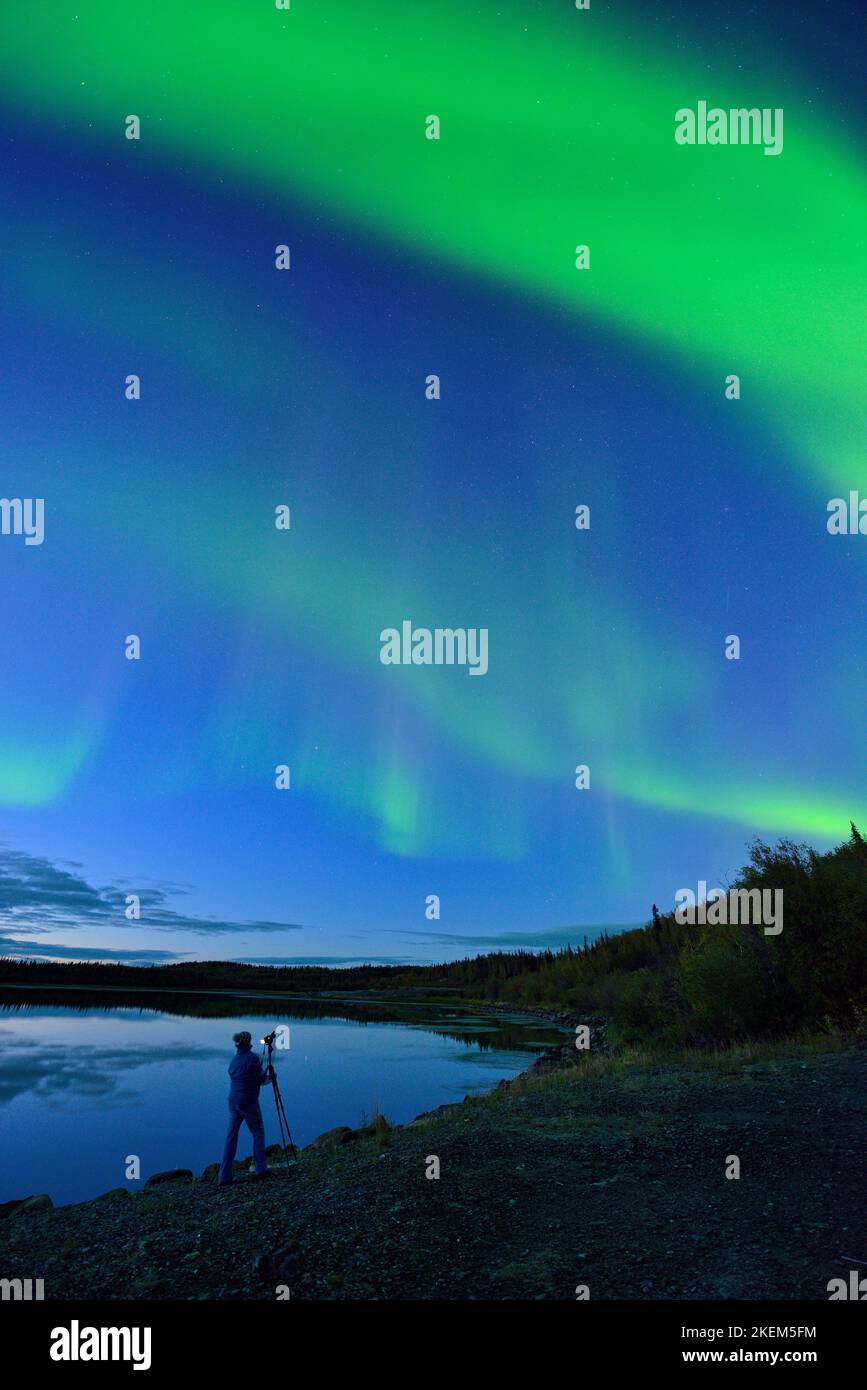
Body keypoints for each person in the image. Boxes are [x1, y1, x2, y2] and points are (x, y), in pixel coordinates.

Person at [218, 1030, 273, 1186]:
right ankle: (261, 1168)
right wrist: (271, 1077)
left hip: (233, 1100)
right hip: (248, 1101)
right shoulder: (252, 1059)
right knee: (258, 1131)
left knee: (231, 1135)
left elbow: (246, 1076)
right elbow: (261, 1079)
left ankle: (224, 1176)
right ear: (248, 1042)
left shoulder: (234, 1060)